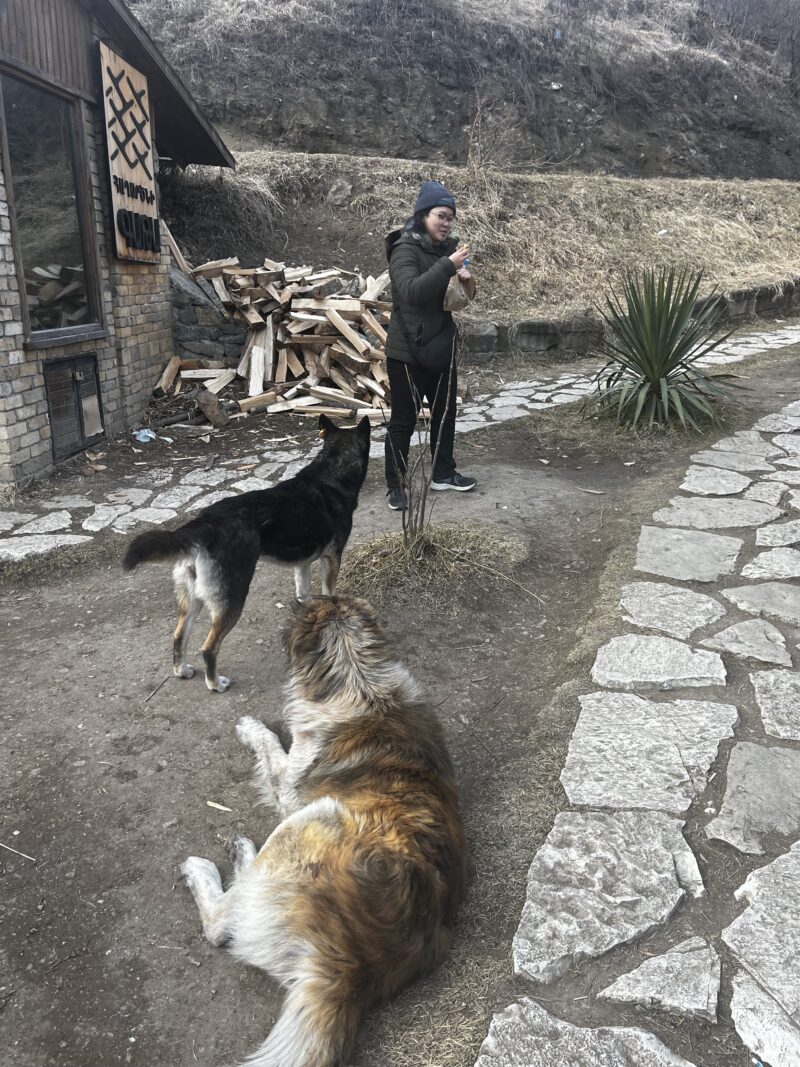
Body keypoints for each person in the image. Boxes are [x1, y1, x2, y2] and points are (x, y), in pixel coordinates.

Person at [383, 180, 477, 511]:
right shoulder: (404, 248)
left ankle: (443, 473)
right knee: (403, 421)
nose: (446, 222)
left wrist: (466, 281)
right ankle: (395, 484)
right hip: (406, 352)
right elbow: (410, 290)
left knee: (444, 415)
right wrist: (447, 266)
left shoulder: (444, 251)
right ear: (423, 215)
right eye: (441, 215)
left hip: (439, 346)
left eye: (450, 217)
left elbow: (457, 300)